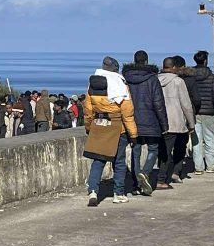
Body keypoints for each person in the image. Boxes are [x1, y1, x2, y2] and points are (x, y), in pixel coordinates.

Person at [82, 74, 138, 205]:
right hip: (118, 127)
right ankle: (118, 193)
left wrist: (89, 128)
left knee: (98, 160)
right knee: (119, 162)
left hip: (99, 124)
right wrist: (133, 134)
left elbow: (88, 110)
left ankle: (93, 191)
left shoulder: (92, 87)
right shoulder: (121, 86)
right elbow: (127, 113)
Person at [123, 51, 167, 195]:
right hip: (151, 120)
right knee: (153, 149)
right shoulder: (152, 79)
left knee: (136, 151)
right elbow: (158, 103)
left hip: (132, 121)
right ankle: (146, 173)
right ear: (147, 61)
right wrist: (164, 125)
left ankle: (137, 185)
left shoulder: (126, 79)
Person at [157, 57, 196, 188]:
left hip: (161, 122)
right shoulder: (178, 82)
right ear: (173, 67)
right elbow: (186, 104)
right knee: (180, 149)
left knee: (164, 152)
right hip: (177, 121)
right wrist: (191, 123)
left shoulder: (155, 80)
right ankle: (175, 172)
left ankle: (161, 177)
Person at [190, 50, 214, 175]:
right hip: (209, 112)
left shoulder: (191, 76)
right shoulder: (212, 77)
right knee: (210, 139)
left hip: (194, 112)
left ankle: (198, 167)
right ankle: (211, 166)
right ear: (206, 60)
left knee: (196, 140)